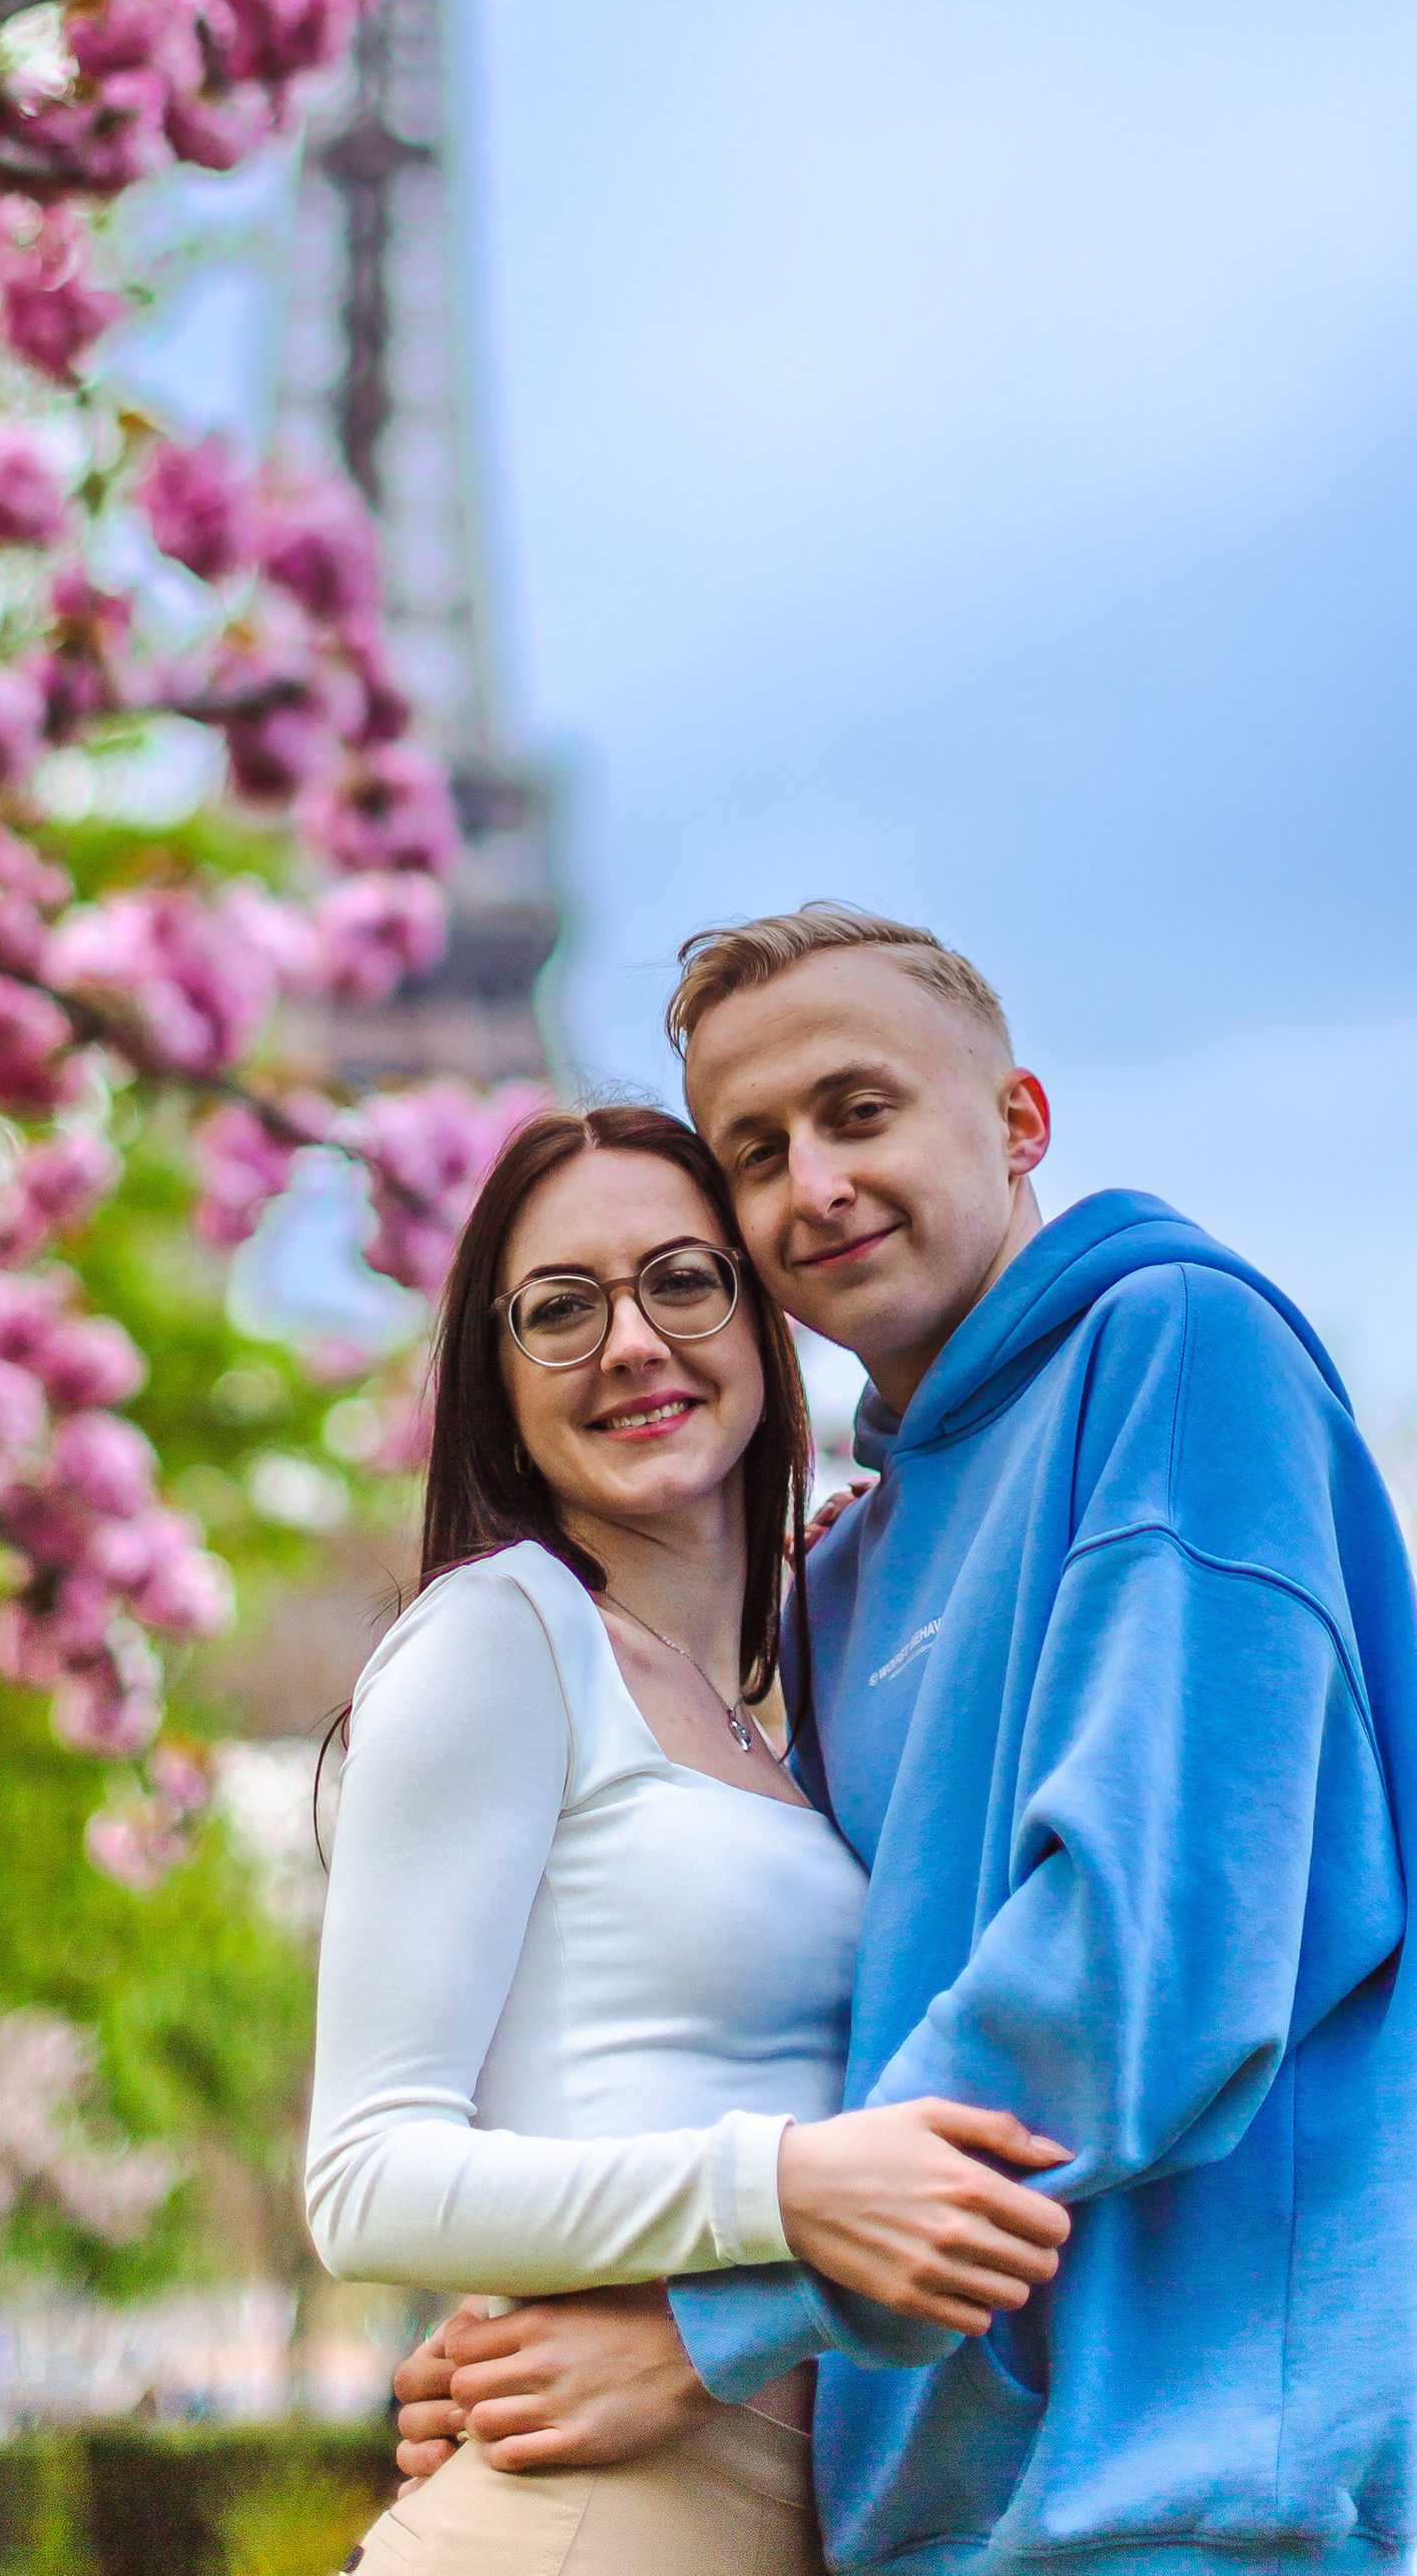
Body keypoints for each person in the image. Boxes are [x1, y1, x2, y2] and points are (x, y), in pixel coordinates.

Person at [396, 909, 1417, 2576]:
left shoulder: (1179, 1355)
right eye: (756, 1153)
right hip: (920, 2519)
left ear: (1018, 1119)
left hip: (1190, 2506)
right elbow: (819, 2051)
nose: (815, 1184)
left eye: (859, 1112)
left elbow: (1145, 1959)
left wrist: (703, 2325)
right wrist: (549, 2323)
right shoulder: (839, 1581)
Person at [307, 1096, 1072, 2574]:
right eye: (560, 1309)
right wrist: (784, 2184)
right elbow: (365, 2179)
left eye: (681, 1280)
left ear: (762, 1320)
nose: (632, 1342)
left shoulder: (795, 1697)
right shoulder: (502, 1637)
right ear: (497, 1378)